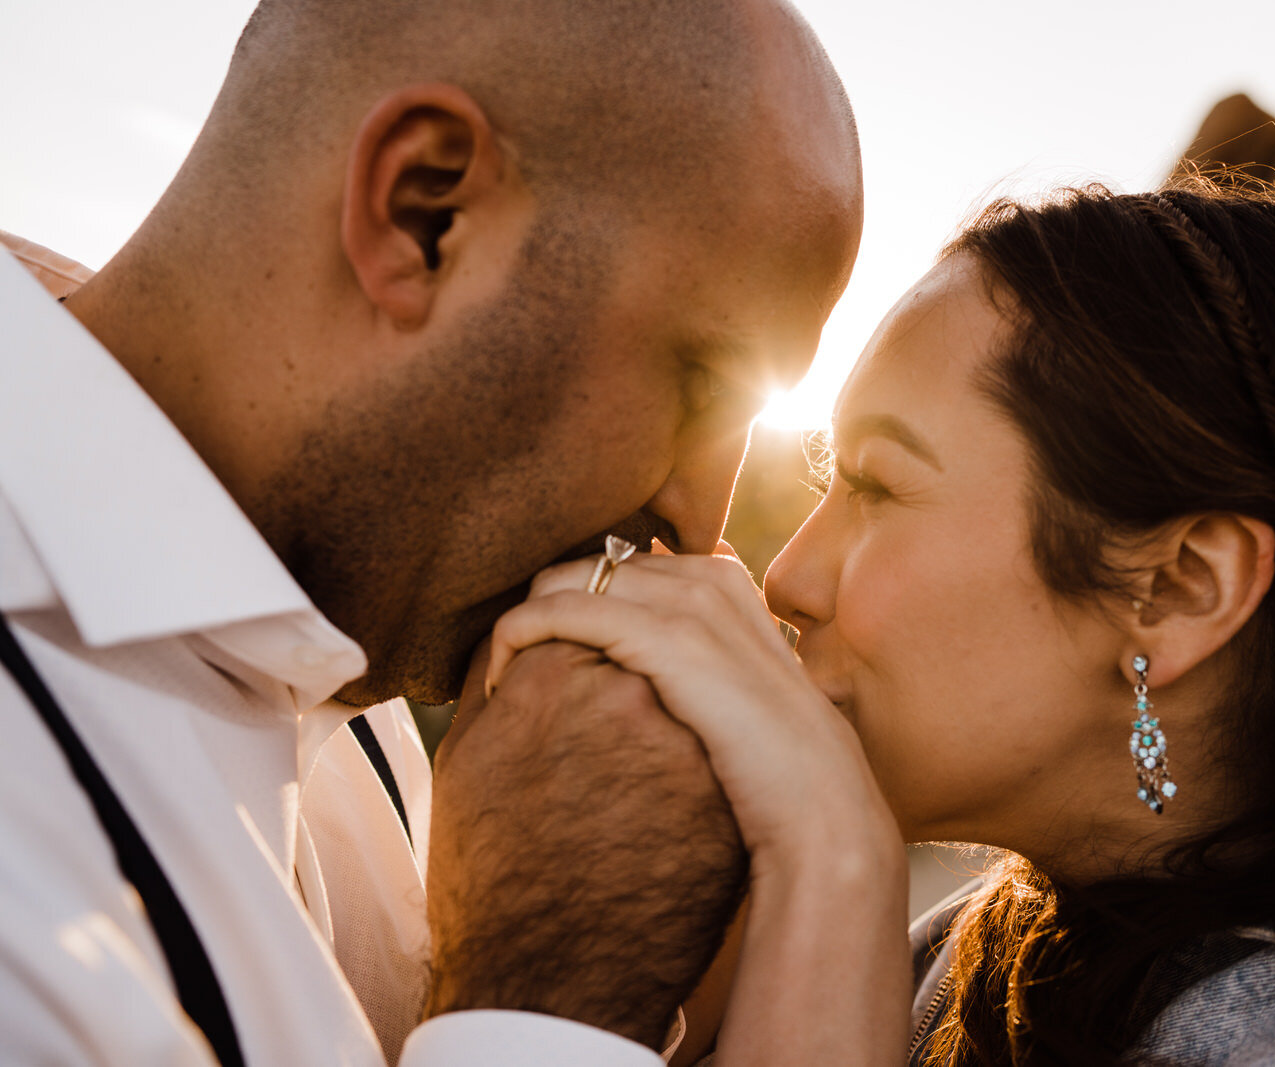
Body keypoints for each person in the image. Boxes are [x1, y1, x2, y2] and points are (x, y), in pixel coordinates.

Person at [486, 184, 1275, 1065]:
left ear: (1177, 589)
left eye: (875, 486)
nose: (785, 576)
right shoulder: (980, 965)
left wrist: (833, 867)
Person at [0, 0, 862, 1064]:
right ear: (421, 212)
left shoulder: (349, 655)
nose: (703, 519)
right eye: (699, 380)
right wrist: (552, 994)